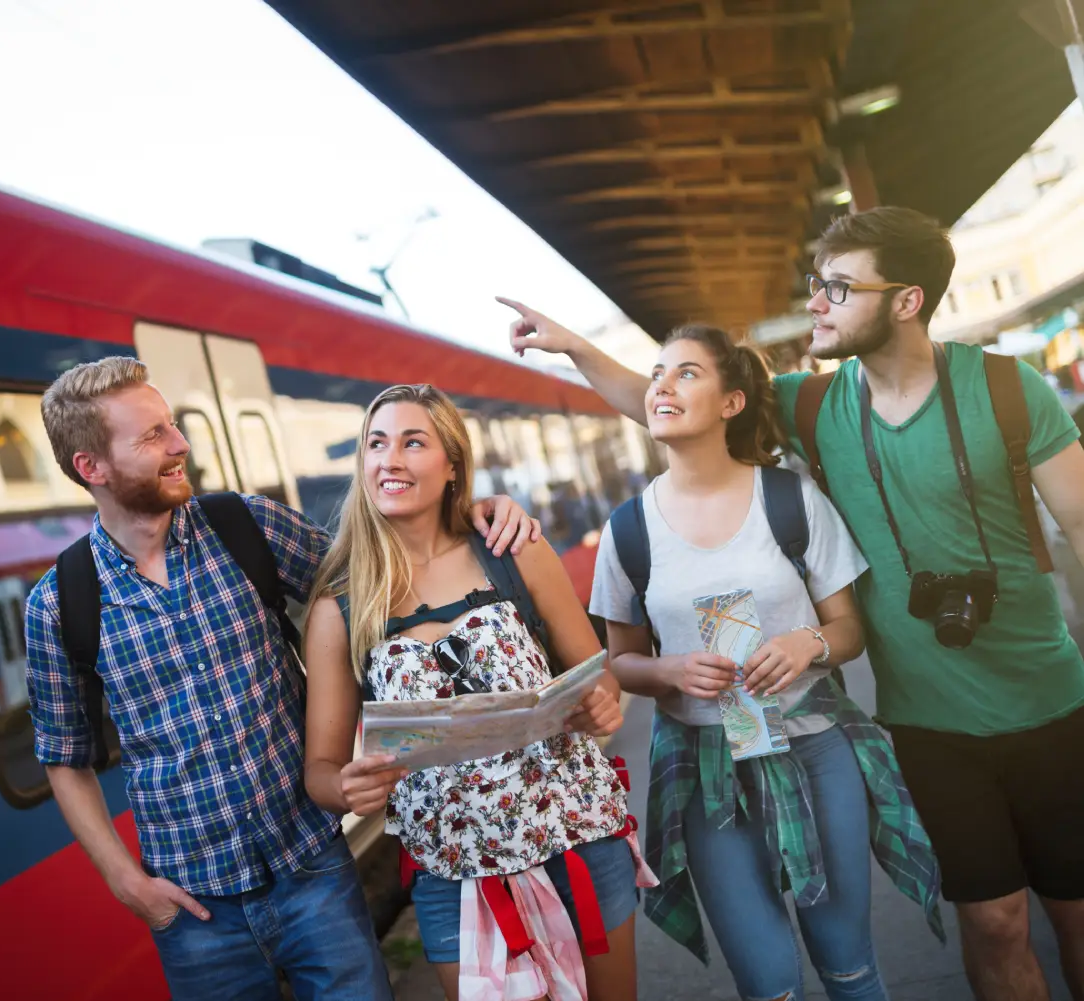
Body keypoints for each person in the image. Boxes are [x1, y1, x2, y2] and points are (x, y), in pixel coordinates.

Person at [501, 205, 1084, 1001]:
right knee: (997, 924)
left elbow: (1081, 520)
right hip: (928, 724)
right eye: (816, 283)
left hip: (1055, 702)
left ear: (906, 300)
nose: (815, 301)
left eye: (837, 287)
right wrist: (573, 350)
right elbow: (670, 398)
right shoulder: (812, 407)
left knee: (1076, 915)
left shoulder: (1007, 389)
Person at [23, 357, 542, 1001]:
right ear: (91, 468)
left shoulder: (245, 526)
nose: (180, 444)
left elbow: (384, 582)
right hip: (192, 910)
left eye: (172, 426)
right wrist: (127, 883)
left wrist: (469, 513)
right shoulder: (60, 603)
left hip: (312, 869)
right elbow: (65, 758)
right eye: (152, 436)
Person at [588, 326, 942, 1000]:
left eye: (686, 372)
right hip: (705, 770)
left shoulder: (788, 498)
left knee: (850, 965)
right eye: (657, 372)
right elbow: (623, 660)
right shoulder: (628, 528)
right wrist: (670, 672)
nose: (661, 384)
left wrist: (807, 643)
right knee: (769, 984)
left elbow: (848, 629)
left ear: (732, 402)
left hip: (815, 751)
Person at [300, 382, 646, 1001]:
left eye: (413, 442)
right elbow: (321, 773)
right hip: (453, 876)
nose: (390, 460)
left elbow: (600, 676)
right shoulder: (342, 606)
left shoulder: (512, 551)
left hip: (579, 842)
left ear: (451, 464)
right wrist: (346, 788)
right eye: (376, 444)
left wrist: (598, 701)